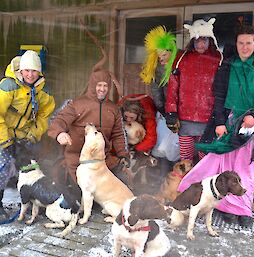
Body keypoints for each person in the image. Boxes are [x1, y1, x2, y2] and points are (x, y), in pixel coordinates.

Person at [178, 25, 254, 227]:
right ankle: (228, 206)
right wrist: (220, 122)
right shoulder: (227, 66)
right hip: (229, 121)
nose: (245, 47)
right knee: (226, 166)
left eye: (249, 43)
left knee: (247, 167)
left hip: (251, 125)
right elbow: (219, 96)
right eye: (241, 43)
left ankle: (243, 208)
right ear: (236, 44)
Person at [48, 56, 129, 190]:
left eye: (105, 85)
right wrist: (60, 133)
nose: (102, 89)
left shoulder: (113, 109)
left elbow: (119, 134)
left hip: (102, 159)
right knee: (80, 194)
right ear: (92, 85)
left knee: (115, 189)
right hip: (77, 157)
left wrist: (123, 155)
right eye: (99, 85)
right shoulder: (76, 104)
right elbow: (59, 120)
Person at [0, 50, 55, 218]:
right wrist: (5, 140)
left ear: (39, 71)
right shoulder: (9, 85)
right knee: (3, 169)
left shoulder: (43, 90)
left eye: (34, 70)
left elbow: (45, 115)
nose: (30, 74)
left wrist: (34, 133)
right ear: (20, 70)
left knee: (33, 166)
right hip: (5, 134)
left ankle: (35, 199)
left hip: (25, 136)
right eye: (27, 70)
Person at [165, 18, 222, 162]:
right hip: (185, 119)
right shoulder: (181, 58)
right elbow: (173, 86)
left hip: (209, 119)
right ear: (192, 41)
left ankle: (203, 184)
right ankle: (186, 184)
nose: (200, 44)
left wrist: (221, 116)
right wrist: (171, 112)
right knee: (185, 159)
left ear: (210, 40)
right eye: (197, 40)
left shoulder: (218, 59)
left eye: (204, 40)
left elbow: (223, 90)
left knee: (206, 159)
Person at [140, 25, 178, 116]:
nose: (161, 58)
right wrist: (161, 109)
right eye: (159, 56)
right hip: (167, 110)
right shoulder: (157, 68)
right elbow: (156, 89)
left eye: (164, 55)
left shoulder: (181, 64)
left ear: (171, 53)